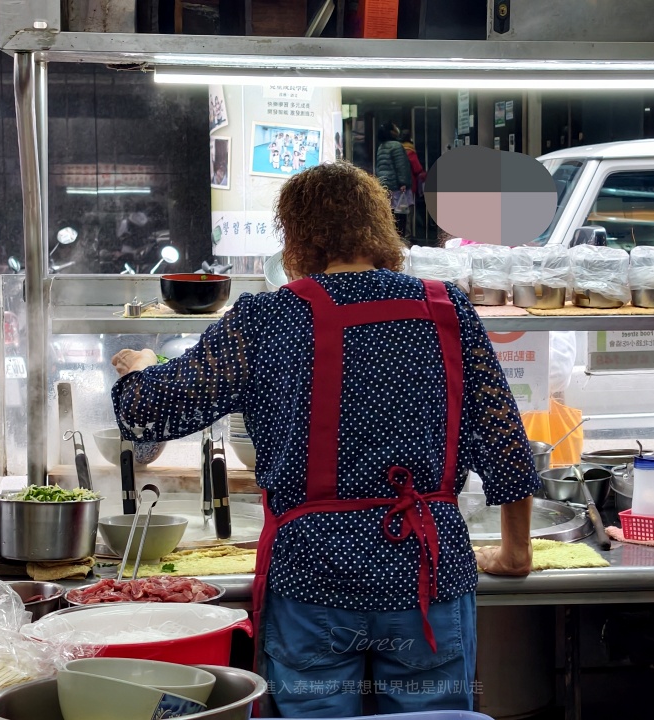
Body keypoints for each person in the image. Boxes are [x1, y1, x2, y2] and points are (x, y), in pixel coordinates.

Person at [110, 162, 538, 717]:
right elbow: (505, 441)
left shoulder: (267, 317)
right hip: (426, 578)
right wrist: (515, 553)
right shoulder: (445, 307)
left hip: (313, 581)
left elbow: (146, 413)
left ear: (296, 238)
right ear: (379, 226)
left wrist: (140, 367)